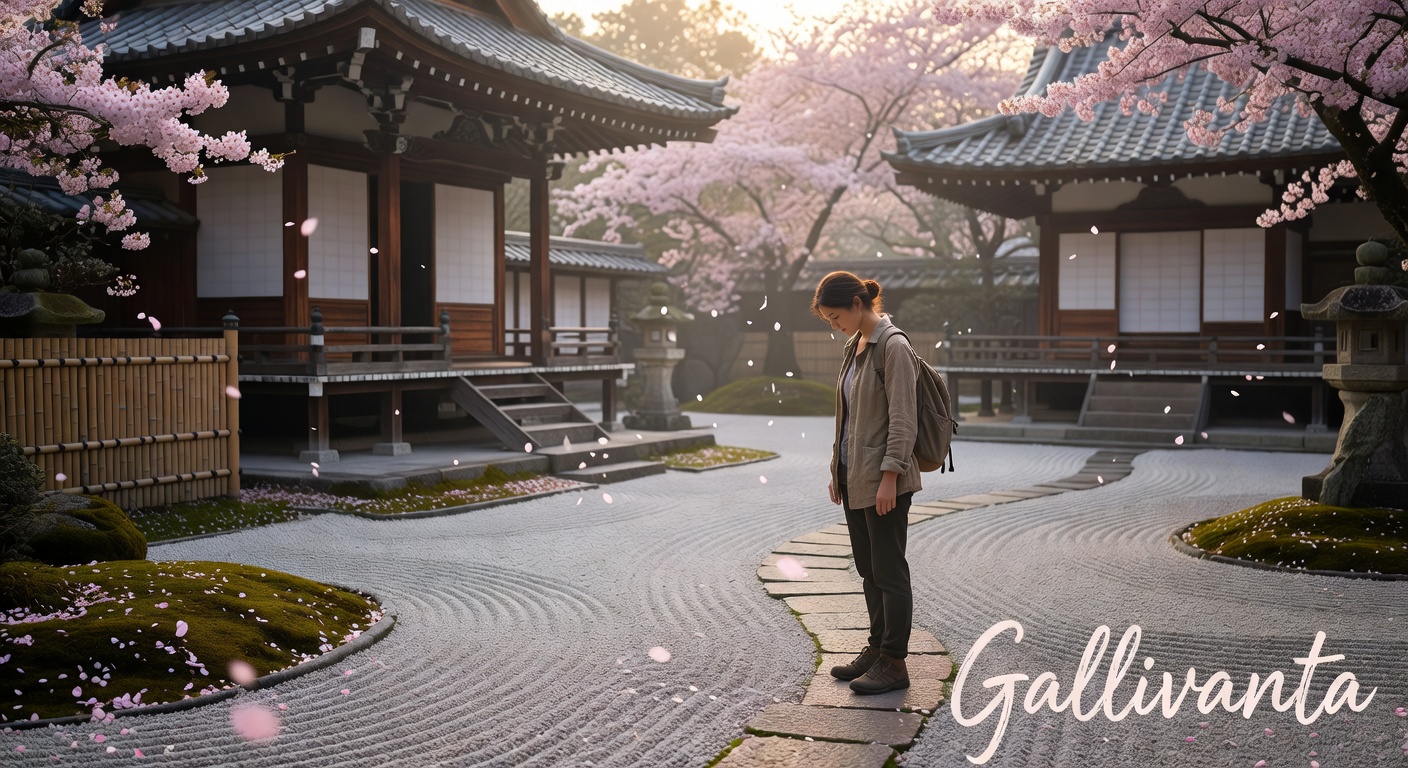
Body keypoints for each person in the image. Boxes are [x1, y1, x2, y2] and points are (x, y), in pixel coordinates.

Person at [811, 270, 920, 695]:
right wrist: (835, 469)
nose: (833, 324)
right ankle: (876, 649)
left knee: (890, 572)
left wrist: (890, 477)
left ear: (858, 304)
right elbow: (849, 417)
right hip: (856, 477)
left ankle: (894, 661)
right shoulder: (854, 346)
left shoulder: (893, 346)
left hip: (884, 481)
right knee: (869, 571)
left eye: (836, 316)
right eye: (828, 320)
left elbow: (903, 419)